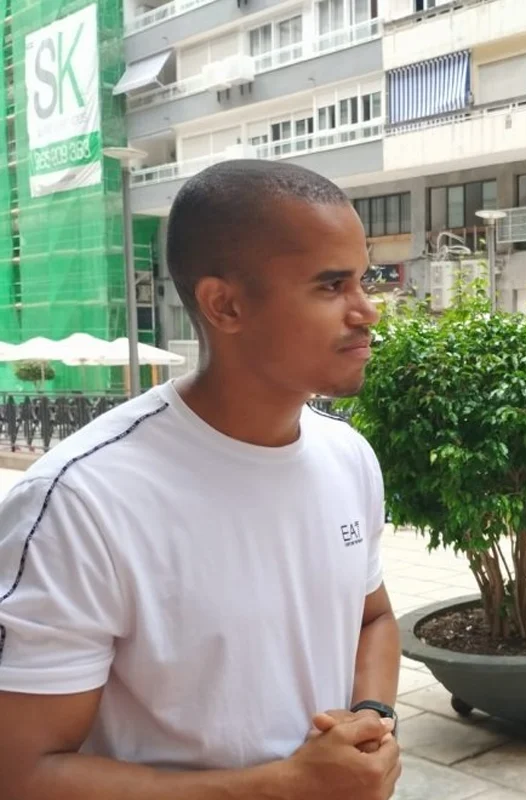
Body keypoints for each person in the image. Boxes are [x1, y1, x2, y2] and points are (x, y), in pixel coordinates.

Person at [0, 160, 402, 800]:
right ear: (225, 304)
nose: (367, 311)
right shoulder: (80, 502)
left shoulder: (348, 457)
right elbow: (23, 773)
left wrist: (372, 716)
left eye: (364, 280)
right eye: (332, 286)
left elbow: (373, 619)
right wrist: (284, 786)